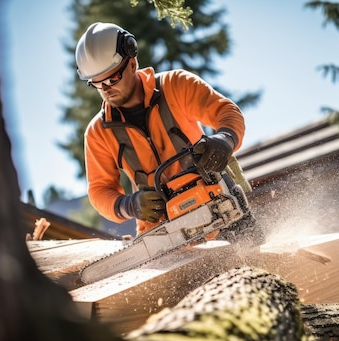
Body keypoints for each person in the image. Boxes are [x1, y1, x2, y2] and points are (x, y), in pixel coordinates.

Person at [75, 22, 258, 239]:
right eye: (96, 83)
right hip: (161, 232)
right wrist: (129, 205)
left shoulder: (176, 85)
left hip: (219, 206)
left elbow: (226, 112)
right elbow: (99, 190)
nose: (105, 89)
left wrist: (224, 140)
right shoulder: (98, 133)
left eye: (112, 78)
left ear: (132, 63)